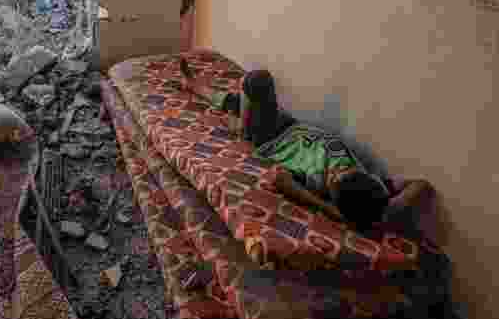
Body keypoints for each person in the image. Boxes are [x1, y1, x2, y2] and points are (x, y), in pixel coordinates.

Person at [179, 59, 431, 233]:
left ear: (331, 192)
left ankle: (240, 126)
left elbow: (279, 179)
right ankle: (197, 87)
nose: (337, 168)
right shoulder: (371, 189)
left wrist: (330, 211)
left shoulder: (315, 185)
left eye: (334, 175)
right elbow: (421, 185)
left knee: (256, 81)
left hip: (270, 139)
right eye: (346, 170)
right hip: (293, 127)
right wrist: (389, 211)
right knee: (238, 102)